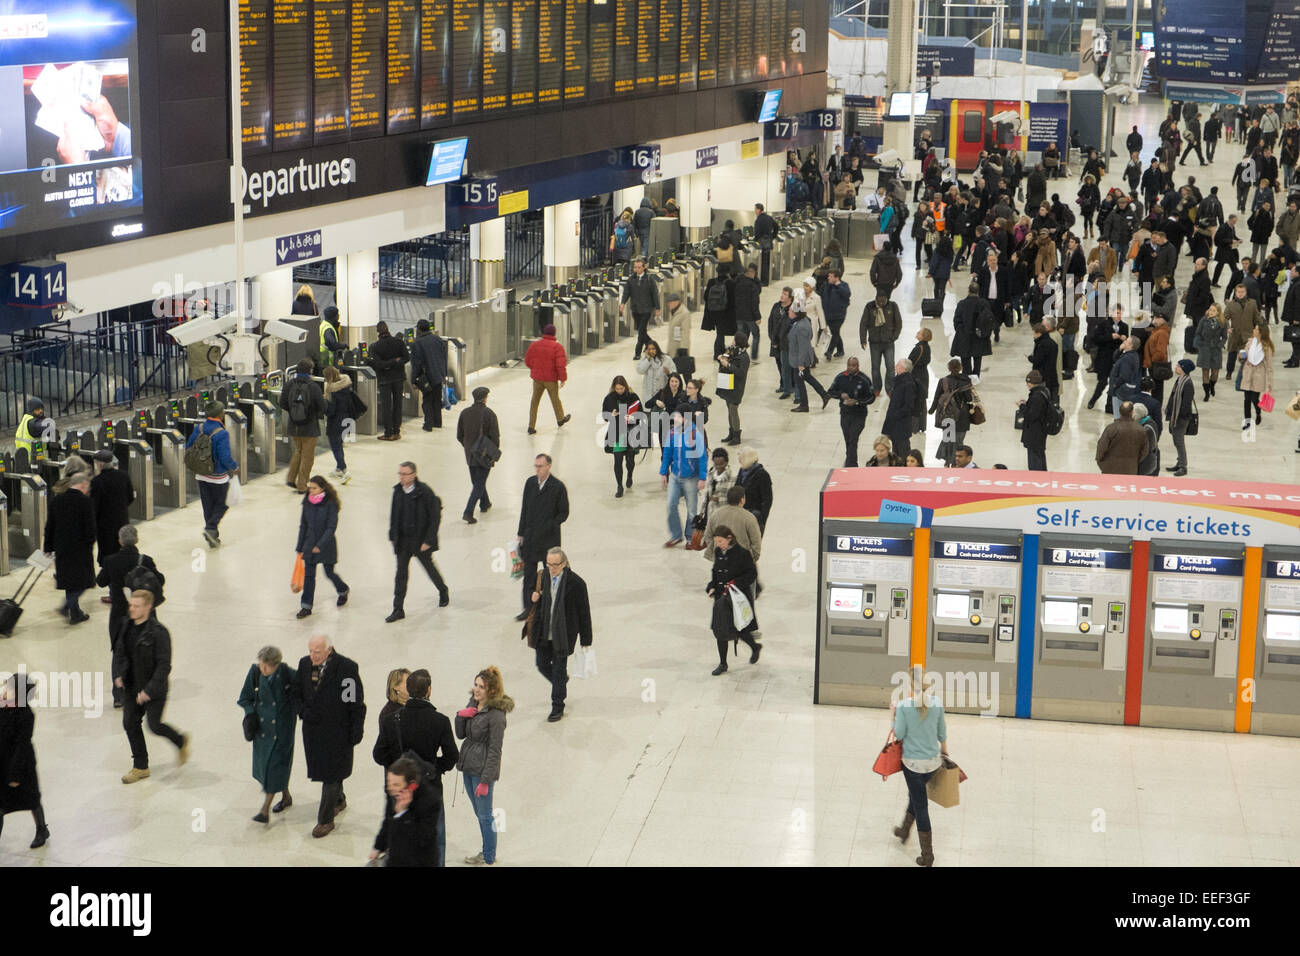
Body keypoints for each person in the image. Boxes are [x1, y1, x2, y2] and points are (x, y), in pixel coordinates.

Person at [371, 668, 458, 865]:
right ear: (428, 691)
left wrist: (397, 767)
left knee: (400, 836)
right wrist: (435, 769)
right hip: (430, 787)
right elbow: (452, 756)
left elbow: (378, 754)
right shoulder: (440, 721)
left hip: (400, 789)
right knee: (435, 837)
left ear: (408, 690)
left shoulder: (391, 719)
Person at [291, 634, 365, 838]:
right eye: (310, 651)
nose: (313, 656)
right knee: (328, 771)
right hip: (313, 732)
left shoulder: (346, 668)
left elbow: (354, 702)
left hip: (337, 732)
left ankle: (325, 820)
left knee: (331, 775)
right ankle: (339, 800)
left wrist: (356, 730)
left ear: (329, 650)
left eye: (317, 652)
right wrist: (303, 712)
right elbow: (296, 692)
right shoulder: (304, 664)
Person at [113, 589, 188, 784]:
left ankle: (180, 740)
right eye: (131, 605)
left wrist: (149, 691)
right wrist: (119, 674)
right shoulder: (126, 626)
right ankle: (141, 766)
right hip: (131, 686)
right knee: (130, 723)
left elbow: (164, 665)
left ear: (148, 607)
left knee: (154, 726)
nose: (132, 609)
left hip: (154, 690)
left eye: (136, 606)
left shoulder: (159, 632)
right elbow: (120, 652)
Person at [891, 665, 948, 868]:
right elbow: (942, 733)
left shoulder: (905, 707)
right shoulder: (937, 704)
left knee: (921, 805)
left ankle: (928, 855)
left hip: (913, 765)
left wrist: (893, 715)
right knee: (915, 796)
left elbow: (899, 734)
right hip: (933, 763)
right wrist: (945, 753)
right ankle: (904, 830)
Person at [526, 548, 593, 723]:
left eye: (555, 565)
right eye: (549, 564)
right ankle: (561, 680)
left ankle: (557, 706)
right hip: (543, 631)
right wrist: (532, 597)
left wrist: (586, 640)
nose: (552, 568)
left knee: (558, 669)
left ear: (563, 563)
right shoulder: (543, 576)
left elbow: (584, 612)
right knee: (541, 664)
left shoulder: (576, 584)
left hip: (563, 635)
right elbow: (531, 594)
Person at [456, 666, 514, 865]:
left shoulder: (496, 716)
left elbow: (495, 751)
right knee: (480, 815)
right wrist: (461, 715)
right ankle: (485, 852)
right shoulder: (474, 702)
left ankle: (489, 857)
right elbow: (461, 734)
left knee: (486, 816)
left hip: (481, 773)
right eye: (475, 685)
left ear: (491, 691)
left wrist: (486, 780)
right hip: (468, 767)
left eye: (481, 687)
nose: (476, 690)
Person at [237, 646, 296, 823]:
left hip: (282, 730)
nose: (263, 670)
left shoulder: (288, 674)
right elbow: (244, 697)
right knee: (271, 768)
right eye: (261, 665)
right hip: (262, 730)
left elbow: (303, 693)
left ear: (276, 665)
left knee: (274, 768)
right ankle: (286, 796)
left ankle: (265, 810)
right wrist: (250, 713)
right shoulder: (255, 673)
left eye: (267, 667)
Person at [386, 461, 448, 623]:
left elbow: (435, 518)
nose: (401, 477)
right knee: (401, 575)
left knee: (429, 568)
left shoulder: (425, 492)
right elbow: (394, 515)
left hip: (420, 540)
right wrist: (393, 536)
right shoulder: (397, 491)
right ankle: (398, 609)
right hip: (403, 541)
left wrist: (429, 540)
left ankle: (443, 590)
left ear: (413, 475)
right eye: (400, 473)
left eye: (405, 474)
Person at [515, 454, 570, 618]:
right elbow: (524, 509)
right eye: (536, 466)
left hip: (548, 541)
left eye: (541, 466)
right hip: (530, 539)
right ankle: (528, 609)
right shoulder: (530, 483)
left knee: (551, 575)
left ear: (549, 466)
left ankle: (550, 609)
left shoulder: (558, 487)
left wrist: (551, 524)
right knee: (529, 577)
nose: (537, 469)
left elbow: (564, 513)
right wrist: (520, 533)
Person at [0, 674, 49, 850]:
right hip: (2, 762)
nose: (5, 689)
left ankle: (42, 829)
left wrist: (15, 774)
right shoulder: (2, 706)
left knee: (31, 799)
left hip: (21, 765)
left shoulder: (26, 714)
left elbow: (22, 745)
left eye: (9, 688)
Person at [706, 525, 760, 676]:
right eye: (716, 541)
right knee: (719, 630)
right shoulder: (718, 552)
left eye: (721, 541)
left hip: (737, 599)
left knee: (740, 629)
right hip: (721, 599)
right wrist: (711, 586)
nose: (718, 544)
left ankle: (755, 647)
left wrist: (735, 583)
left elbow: (752, 573)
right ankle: (723, 663)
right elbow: (715, 571)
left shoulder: (743, 553)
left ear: (729, 539)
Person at [184, 400, 239, 547]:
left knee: (208, 506)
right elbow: (225, 457)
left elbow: (189, 446)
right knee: (223, 503)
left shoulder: (199, 428)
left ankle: (213, 537)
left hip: (201, 475)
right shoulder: (222, 433)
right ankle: (210, 528)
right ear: (220, 415)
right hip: (218, 477)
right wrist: (234, 467)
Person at [43, 473, 95, 624]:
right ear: (83, 485)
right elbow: (90, 528)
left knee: (69, 580)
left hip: (62, 548)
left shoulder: (56, 501)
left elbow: (49, 526)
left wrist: (48, 546)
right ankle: (68, 606)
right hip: (80, 549)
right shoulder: (85, 502)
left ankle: (75, 611)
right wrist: (90, 543)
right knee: (84, 581)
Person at [294, 475, 349, 619]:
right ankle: (306, 606)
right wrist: (300, 546)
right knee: (309, 576)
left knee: (329, 572)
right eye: (309, 488)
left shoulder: (331, 504)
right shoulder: (307, 502)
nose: (311, 491)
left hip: (326, 545)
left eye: (314, 488)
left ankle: (343, 590)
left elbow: (331, 528)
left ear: (322, 488)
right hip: (309, 544)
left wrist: (320, 545)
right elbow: (303, 525)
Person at [371, 756, 440, 867]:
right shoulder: (393, 793)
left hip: (419, 861)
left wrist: (403, 813)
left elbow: (423, 838)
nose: (390, 788)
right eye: (389, 782)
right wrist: (378, 846)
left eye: (396, 784)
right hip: (396, 858)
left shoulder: (430, 801)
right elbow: (388, 822)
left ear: (411, 785)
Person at [659, 412, 708, 548]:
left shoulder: (695, 434)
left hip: (691, 478)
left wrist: (702, 478)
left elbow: (702, 457)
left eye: (678, 416)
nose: (675, 419)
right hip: (675, 476)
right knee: (670, 505)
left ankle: (690, 538)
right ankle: (676, 535)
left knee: (692, 510)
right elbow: (667, 453)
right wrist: (663, 472)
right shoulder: (672, 433)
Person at [279, 359, 326, 493]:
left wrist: (295, 413)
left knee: (298, 451)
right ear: (310, 371)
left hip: (294, 426)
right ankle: (302, 485)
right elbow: (321, 406)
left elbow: (282, 403)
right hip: (310, 427)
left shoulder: (289, 384)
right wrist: (311, 413)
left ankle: (291, 479)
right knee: (307, 456)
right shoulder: (313, 386)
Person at [455, 386, 499, 524]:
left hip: (470, 455)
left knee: (477, 481)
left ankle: (485, 503)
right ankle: (468, 512)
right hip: (484, 454)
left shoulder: (465, 413)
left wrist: (468, 446)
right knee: (479, 484)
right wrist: (493, 451)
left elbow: (459, 435)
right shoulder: (489, 414)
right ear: (485, 398)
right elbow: (495, 437)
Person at [89, 449, 133, 581]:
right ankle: (124, 583)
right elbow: (130, 498)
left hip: (105, 526)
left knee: (108, 557)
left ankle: (113, 592)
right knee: (122, 553)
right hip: (122, 521)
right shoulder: (124, 476)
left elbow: (94, 507)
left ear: (100, 464)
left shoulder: (97, 481)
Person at [827, 357, 876, 467]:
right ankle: (850, 458)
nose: (851, 368)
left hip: (859, 414)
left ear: (858, 366)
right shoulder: (840, 377)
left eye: (853, 365)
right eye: (849, 365)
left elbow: (872, 398)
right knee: (848, 439)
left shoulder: (864, 380)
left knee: (853, 438)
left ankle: (851, 465)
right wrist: (840, 395)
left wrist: (857, 402)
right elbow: (830, 392)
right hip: (845, 413)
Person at [523, 323, 571, 434]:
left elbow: (527, 361)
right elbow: (560, 365)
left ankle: (531, 426)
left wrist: (535, 369)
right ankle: (560, 419)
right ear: (554, 333)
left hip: (537, 379)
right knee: (555, 399)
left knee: (534, 402)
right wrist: (562, 378)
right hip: (551, 379)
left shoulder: (535, 345)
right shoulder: (557, 347)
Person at [602, 376, 645, 497]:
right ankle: (619, 486)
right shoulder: (609, 398)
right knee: (618, 460)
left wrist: (632, 417)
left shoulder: (633, 396)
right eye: (617, 389)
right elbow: (604, 416)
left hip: (631, 432)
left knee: (630, 460)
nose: (619, 391)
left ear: (625, 387)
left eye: (621, 388)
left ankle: (630, 475)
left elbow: (641, 413)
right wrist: (611, 414)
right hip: (616, 433)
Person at [367, 321, 409, 441]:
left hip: (385, 380)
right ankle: (396, 431)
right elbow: (406, 358)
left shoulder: (374, 347)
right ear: (388, 329)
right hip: (399, 378)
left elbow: (378, 365)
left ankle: (388, 433)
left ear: (378, 332)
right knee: (398, 404)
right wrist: (395, 361)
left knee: (386, 406)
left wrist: (387, 365)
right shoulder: (399, 342)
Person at [930, 358, 975, 466]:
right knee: (959, 441)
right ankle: (956, 463)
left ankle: (947, 461)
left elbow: (937, 397)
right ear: (960, 368)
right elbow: (968, 398)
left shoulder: (943, 381)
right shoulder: (965, 380)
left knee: (948, 439)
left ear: (949, 368)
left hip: (947, 415)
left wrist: (932, 409)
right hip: (962, 415)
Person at [787, 297, 828, 412]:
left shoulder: (801, 326)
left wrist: (800, 363)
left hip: (800, 360)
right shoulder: (801, 322)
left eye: (790, 311)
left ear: (796, 313)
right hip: (799, 358)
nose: (788, 312)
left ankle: (804, 405)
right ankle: (824, 395)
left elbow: (803, 347)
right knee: (808, 377)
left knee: (800, 381)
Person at [409, 319, 448, 431]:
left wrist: (413, 380)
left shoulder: (417, 343)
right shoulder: (438, 339)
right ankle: (437, 422)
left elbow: (416, 363)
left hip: (427, 376)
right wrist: (444, 374)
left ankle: (428, 424)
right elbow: (444, 358)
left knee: (427, 400)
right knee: (437, 399)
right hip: (439, 375)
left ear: (419, 329)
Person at [860, 292, 902, 394]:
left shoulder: (893, 306)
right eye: (879, 300)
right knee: (875, 367)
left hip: (888, 343)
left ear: (886, 298)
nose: (881, 302)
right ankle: (876, 388)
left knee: (890, 366)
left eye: (883, 300)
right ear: (876, 298)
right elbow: (863, 323)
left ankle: (890, 388)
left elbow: (898, 323)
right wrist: (863, 340)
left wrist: (894, 337)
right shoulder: (870, 306)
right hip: (875, 343)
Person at [951, 282, 993, 379]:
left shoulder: (962, 304)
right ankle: (976, 378)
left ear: (968, 290)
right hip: (980, 336)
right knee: (977, 360)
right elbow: (989, 320)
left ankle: (967, 379)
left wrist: (960, 330)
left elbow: (957, 319)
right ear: (978, 291)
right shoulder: (984, 303)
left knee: (965, 361)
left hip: (964, 336)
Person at [621, 257, 660, 360]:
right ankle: (654, 348)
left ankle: (637, 353)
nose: (636, 269)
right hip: (635, 309)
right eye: (635, 267)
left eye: (639, 267)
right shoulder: (631, 279)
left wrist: (657, 308)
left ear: (644, 268)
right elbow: (626, 292)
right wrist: (622, 303)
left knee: (641, 331)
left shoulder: (649, 280)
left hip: (646, 310)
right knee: (641, 331)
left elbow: (655, 294)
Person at [1095, 401, 1150, 474]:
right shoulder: (1141, 430)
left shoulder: (1111, 428)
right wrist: (1134, 461)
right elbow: (1144, 451)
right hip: (1131, 469)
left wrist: (1101, 463)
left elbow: (1101, 447)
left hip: (1109, 469)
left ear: (1120, 412)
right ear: (1132, 412)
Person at [321, 366, 354, 483]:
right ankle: (338, 468)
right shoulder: (346, 384)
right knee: (339, 444)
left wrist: (324, 402)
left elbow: (331, 410)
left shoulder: (332, 391)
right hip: (347, 420)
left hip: (335, 422)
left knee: (335, 447)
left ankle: (344, 469)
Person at [1239, 322, 1275, 430]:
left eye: (1256, 329)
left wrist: (1270, 383)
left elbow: (1269, 366)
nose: (1253, 330)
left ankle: (1258, 412)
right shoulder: (1250, 342)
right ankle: (1247, 421)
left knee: (1255, 398)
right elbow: (1244, 355)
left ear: (1260, 333)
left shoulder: (1266, 347)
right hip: (1248, 372)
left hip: (1259, 374)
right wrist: (1241, 356)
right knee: (1246, 399)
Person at [716, 334, 750, 446]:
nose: (732, 341)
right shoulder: (732, 350)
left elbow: (741, 373)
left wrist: (728, 365)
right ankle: (731, 432)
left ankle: (736, 435)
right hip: (728, 383)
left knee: (733, 409)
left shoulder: (744, 357)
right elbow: (724, 357)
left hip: (737, 387)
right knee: (729, 409)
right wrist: (721, 358)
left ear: (737, 341)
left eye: (734, 339)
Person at [1165, 359, 1196, 477]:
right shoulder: (1180, 380)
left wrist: (1178, 418)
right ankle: (1179, 463)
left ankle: (1183, 466)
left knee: (1179, 442)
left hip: (1180, 419)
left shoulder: (1187, 383)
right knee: (1177, 441)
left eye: (1178, 366)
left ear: (1183, 368)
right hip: (1175, 416)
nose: (1176, 367)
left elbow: (1186, 404)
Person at [1224, 283, 1262, 380]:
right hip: (1235, 334)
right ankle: (1229, 372)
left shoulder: (1252, 303)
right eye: (1238, 292)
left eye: (1242, 292)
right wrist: (1227, 327)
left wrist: (1259, 328)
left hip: (1248, 335)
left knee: (1246, 356)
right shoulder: (1231, 304)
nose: (1240, 294)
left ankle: (1245, 373)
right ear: (1235, 293)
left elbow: (1257, 317)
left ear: (1245, 292)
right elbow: (1224, 318)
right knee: (1232, 355)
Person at [1018, 370, 1053, 471]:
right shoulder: (1044, 390)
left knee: (1034, 460)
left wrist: (1022, 406)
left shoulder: (1037, 396)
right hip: (1040, 431)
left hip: (1035, 432)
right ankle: (1042, 476)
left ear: (1031, 383)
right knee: (1040, 455)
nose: (1027, 385)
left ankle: (1036, 479)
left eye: (1027, 383)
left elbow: (1031, 415)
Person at [883, 359, 917, 459]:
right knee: (895, 452)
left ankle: (904, 471)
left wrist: (896, 415)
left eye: (897, 365)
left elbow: (909, 406)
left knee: (903, 451)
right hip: (896, 423)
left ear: (904, 368)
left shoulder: (908, 384)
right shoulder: (899, 381)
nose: (895, 366)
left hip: (902, 424)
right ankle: (896, 470)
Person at [735, 447, 773, 535]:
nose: (739, 461)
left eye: (741, 458)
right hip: (740, 515)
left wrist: (762, 518)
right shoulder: (742, 471)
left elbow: (767, 499)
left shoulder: (762, 474)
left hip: (754, 517)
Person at [1195, 302, 1228, 400]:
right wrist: (1199, 345)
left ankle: (1212, 385)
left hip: (1216, 350)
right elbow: (1198, 333)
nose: (1211, 312)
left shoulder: (1223, 322)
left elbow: (1225, 337)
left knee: (1215, 374)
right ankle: (1206, 394)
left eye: (1214, 310)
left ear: (1218, 312)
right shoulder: (1203, 320)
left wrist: (1220, 345)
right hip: (1205, 349)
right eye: (1210, 309)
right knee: (1205, 372)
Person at [733, 264, 762, 359]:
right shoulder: (753, 286)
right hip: (750, 316)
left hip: (739, 315)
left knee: (741, 335)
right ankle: (753, 356)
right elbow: (755, 303)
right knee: (756, 334)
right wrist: (757, 317)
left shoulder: (737, 282)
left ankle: (739, 353)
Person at [821, 269, 851, 360]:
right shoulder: (827, 286)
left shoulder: (844, 286)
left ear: (836, 278)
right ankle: (840, 350)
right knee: (835, 332)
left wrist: (838, 285)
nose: (828, 278)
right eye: (828, 276)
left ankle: (829, 351)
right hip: (828, 314)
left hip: (839, 315)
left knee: (835, 332)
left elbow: (847, 294)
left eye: (830, 276)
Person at [1143, 315, 1172, 406]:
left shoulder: (1162, 333)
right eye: (1154, 318)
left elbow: (1160, 352)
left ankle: (1156, 407)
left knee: (1157, 389)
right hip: (1154, 364)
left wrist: (1152, 360)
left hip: (1156, 365)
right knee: (1156, 389)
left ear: (1163, 320)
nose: (1154, 320)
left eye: (1157, 318)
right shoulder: (1156, 330)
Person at [663, 291, 694, 375]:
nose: (669, 305)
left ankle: (689, 386)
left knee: (684, 368)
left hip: (680, 347)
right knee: (673, 369)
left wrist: (683, 349)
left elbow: (685, 332)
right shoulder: (674, 311)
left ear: (676, 302)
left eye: (670, 303)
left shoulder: (685, 313)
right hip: (673, 345)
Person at [753, 203, 777, 284]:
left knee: (763, 262)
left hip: (762, 243)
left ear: (759, 210)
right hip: (769, 243)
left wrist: (755, 240)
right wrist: (773, 236)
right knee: (767, 262)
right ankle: (768, 279)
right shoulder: (769, 217)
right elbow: (776, 226)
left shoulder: (758, 219)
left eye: (755, 209)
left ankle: (764, 281)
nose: (754, 211)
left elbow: (757, 232)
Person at [317, 305, 343, 374]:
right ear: (334, 316)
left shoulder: (323, 324)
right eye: (337, 314)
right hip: (328, 362)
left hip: (322, 359)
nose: (339, 316)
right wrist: (343, 346)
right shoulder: (328, 329)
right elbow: (332, 344)